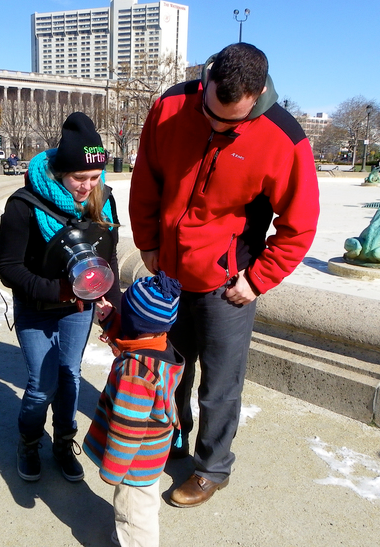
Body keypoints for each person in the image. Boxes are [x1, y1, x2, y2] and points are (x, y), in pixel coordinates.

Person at [129, 42, 320, 507]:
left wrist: (256, 279)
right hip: (169, 276)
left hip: (225, 286)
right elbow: (147, 177)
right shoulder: (172, 105)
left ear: (256, 97)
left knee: (219, 387)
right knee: (166, 372)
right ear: (207, 77)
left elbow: (300, 225)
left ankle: (212, 468)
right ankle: (170, 438)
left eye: (229, 122)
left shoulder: (284, 137)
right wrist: (148, 242)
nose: (215, 125)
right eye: (210, 111)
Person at [0, 112, 122, 482]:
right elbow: (9, 269)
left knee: (70, 377)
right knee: (41, 385)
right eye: (78, 178)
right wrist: (63, 290)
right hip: (36, 307)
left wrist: (108, 302)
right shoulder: (22, 205)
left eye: (94, 177)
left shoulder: (103, 198)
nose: (86, 187)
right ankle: (29, 441)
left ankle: (64, 442)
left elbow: (108, 256)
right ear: (60, 171)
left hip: (78, 309)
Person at [83, 271, 184, 547]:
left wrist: (113, 471)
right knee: (145, 500)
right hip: (153, 450)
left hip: (134, 460)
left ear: (136, 323)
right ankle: (126, 528)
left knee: (134, 513)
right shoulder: (161, 346)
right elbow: (135, 339)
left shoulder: (135, 375)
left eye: (125, 312)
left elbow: (128, 429)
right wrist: (111, 319)